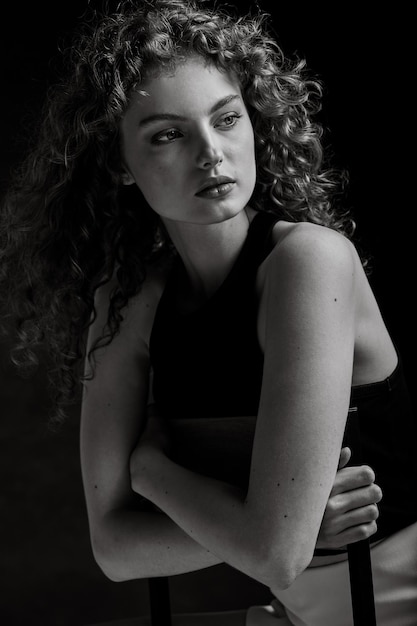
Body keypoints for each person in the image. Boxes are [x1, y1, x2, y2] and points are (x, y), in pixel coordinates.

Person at [1, 1, 416, 624]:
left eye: (227, 119)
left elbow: (275, 552)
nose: (211, 153)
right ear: (119, 164)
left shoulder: (310, 262)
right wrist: (268, 528)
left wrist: (153, 472)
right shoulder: (129, 303)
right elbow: (114, 550)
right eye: (168, 134)